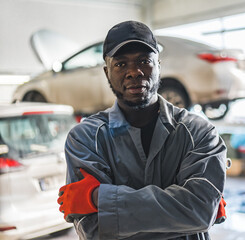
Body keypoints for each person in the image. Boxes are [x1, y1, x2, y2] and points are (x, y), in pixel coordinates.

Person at [57, 20, 227, 240]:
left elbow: (201, 211)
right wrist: (184, 215)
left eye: (144, 61)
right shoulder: (86, 139)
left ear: (158, 65)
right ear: (107, 72)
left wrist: (99, 199)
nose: (134, 72)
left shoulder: (199, 133)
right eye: (120, 64)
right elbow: (93, 230)